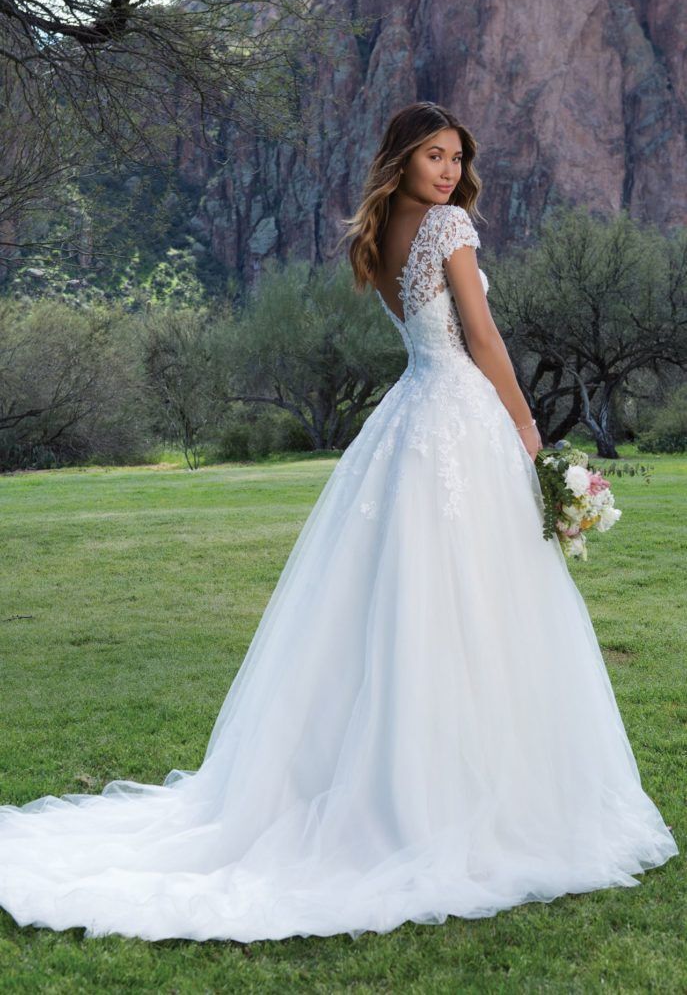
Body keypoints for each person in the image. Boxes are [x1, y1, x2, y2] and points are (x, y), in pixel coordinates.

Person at [0, 101, 678, 944]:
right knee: (474, 599)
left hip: (410, 419)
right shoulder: (447, 228)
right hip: (458, 417)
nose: (446, 170)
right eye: (432, 154)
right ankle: (467, 794)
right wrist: (527, 427)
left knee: (413, 596)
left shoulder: (381, 233)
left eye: (455, 157)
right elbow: (485, 338)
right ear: (404, 157)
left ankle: (409, 772)